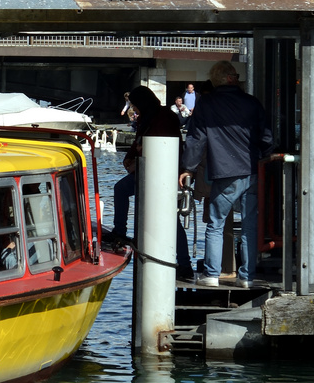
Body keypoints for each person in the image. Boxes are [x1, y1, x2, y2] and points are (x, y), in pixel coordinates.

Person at [180, 61, 273, 287]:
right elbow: (266, 137)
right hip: (251, 170)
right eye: (237, 74)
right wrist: (265, 156)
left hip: (223, 172)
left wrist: (187, 168)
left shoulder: (206, 104)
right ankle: (247, 277)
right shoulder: (251, 103)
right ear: (231, 77)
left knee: (216, 224)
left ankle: (211, 274)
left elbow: (196, 139)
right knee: (250, 225)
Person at [106, 86, 195, 275]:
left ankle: (185, 264)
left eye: (136, 106)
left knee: (170, 218)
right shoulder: (149, 116)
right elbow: (139, 143)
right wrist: (129, 158)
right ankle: (120, 231)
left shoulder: (162, 117)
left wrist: (137, 155)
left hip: (164, 174)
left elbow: (155, 145)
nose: (135, 111)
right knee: (122, 189)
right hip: (148, 171)